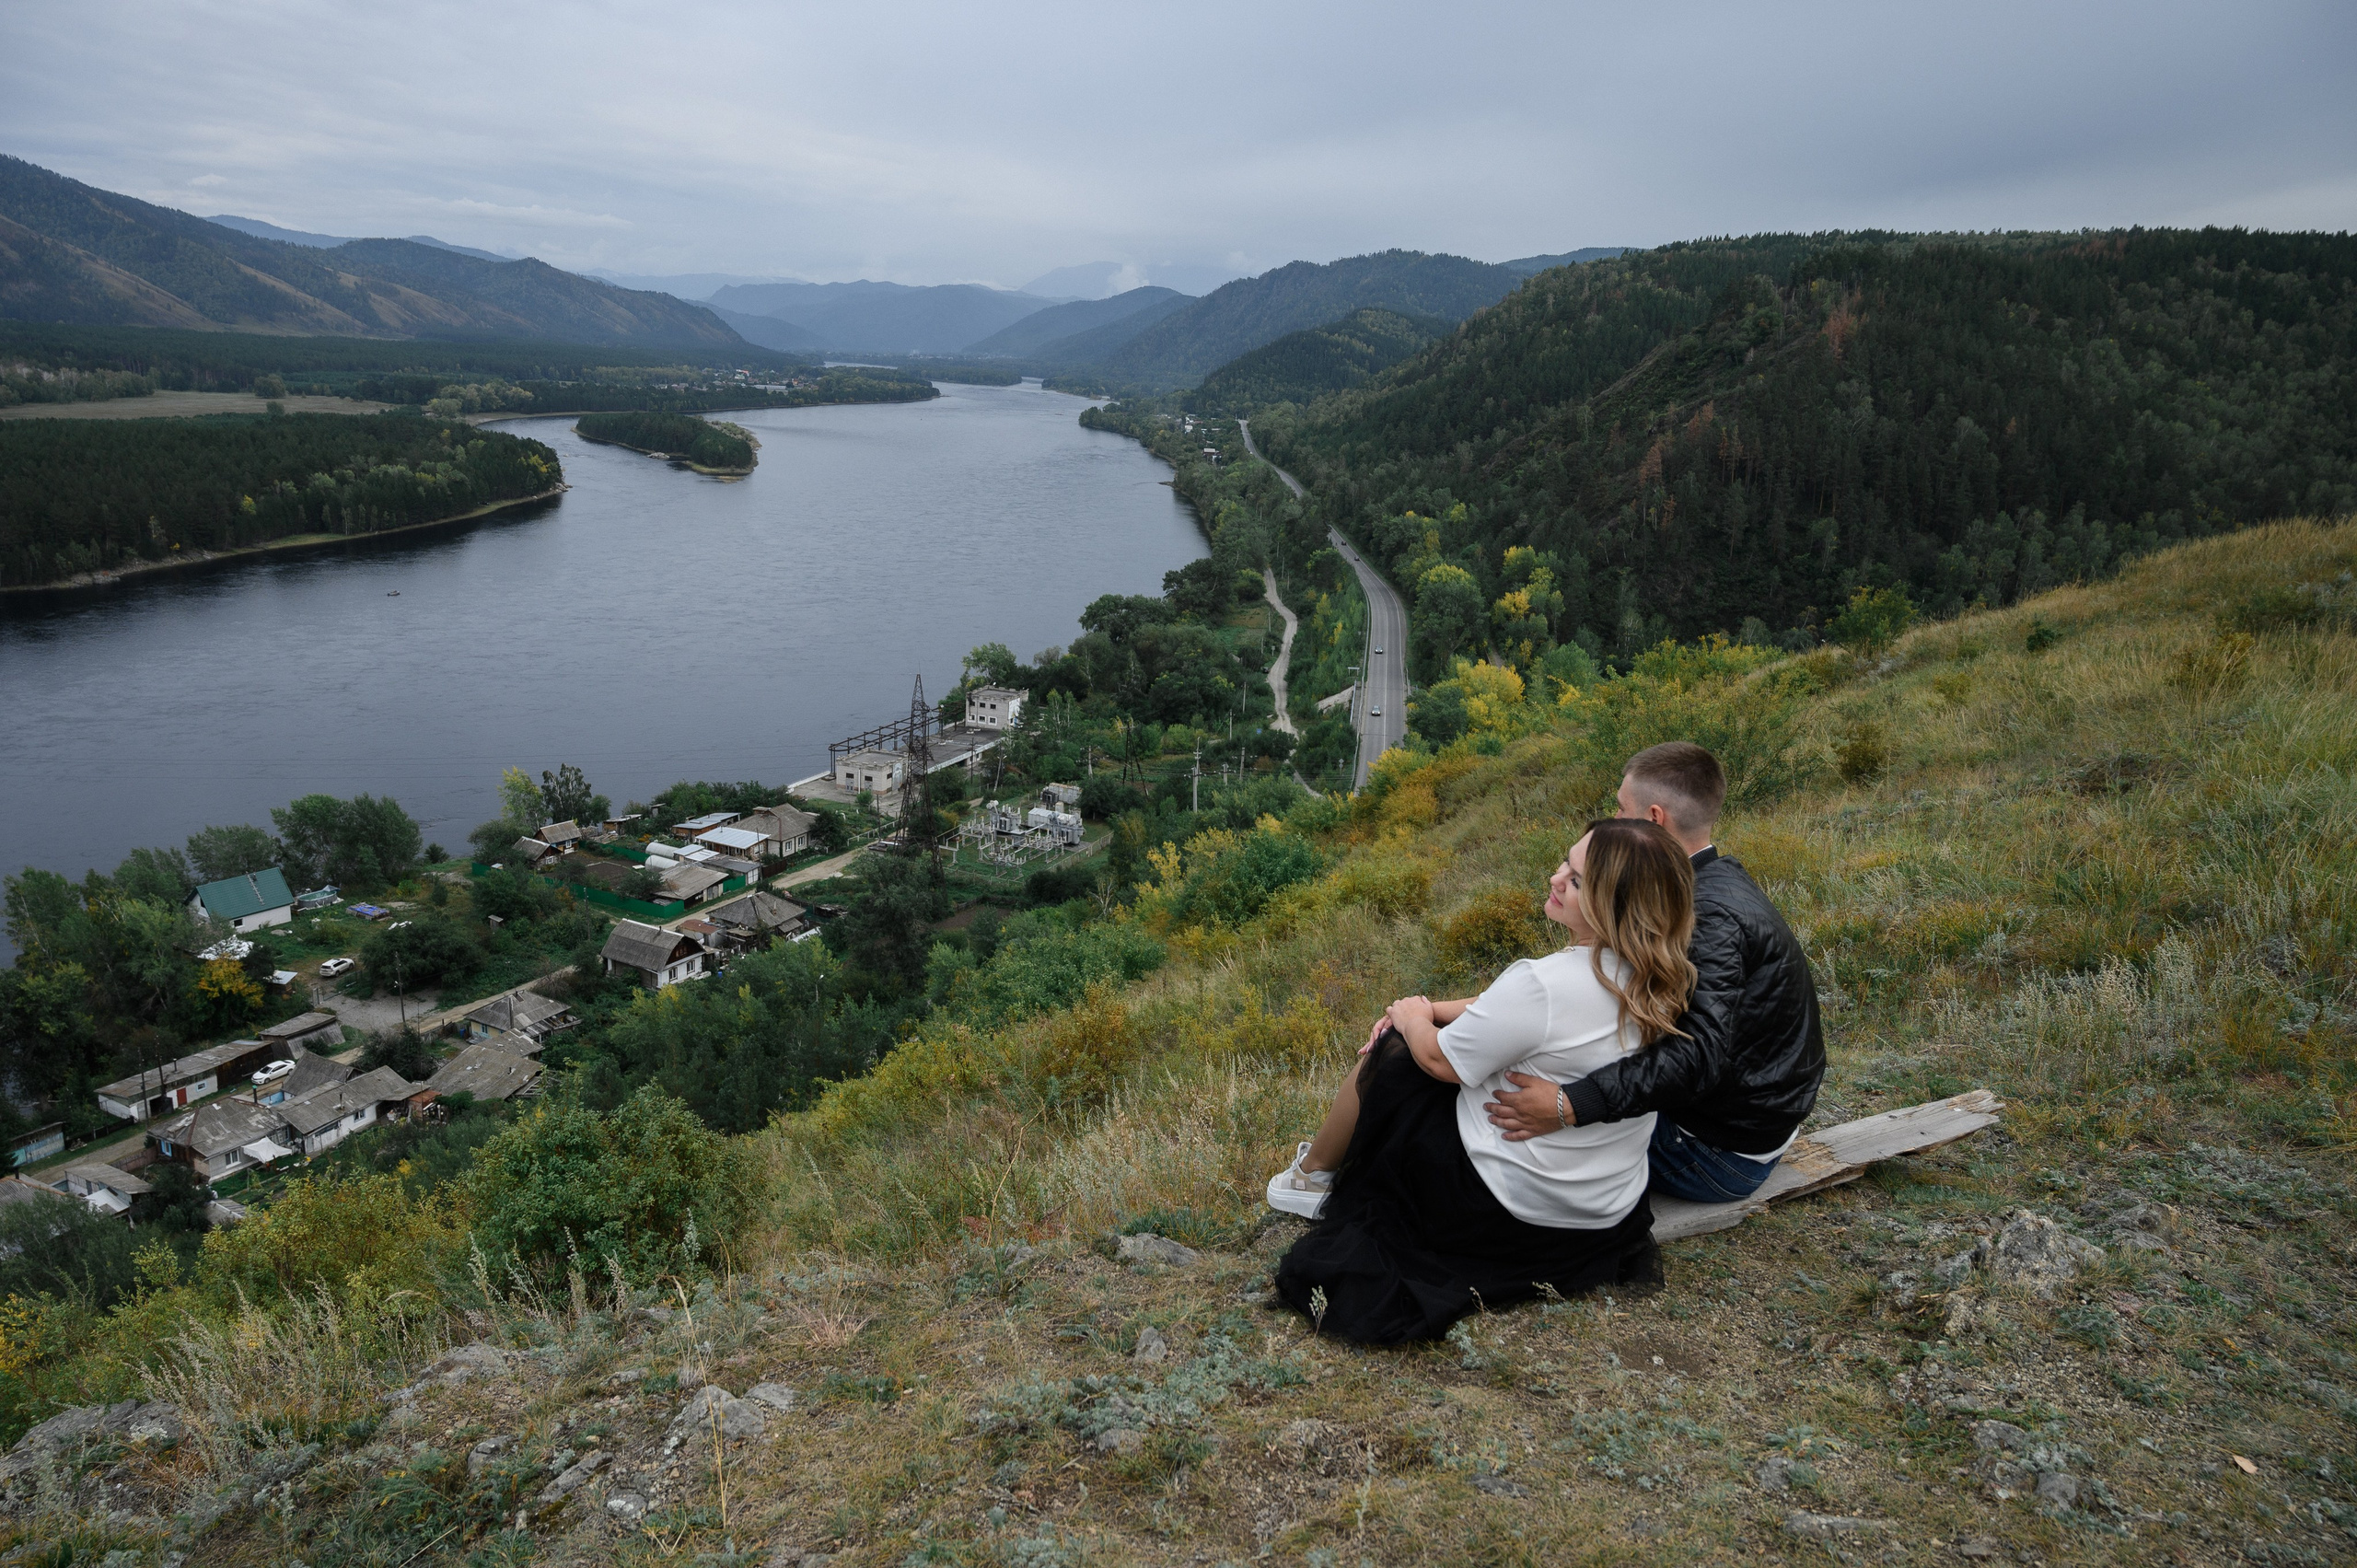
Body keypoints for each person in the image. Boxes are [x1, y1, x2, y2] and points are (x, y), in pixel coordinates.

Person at [1264, 818, 1696, 1343]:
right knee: (1431, 1041)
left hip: (1508, 1207)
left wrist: (1408, 1017)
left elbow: (1439, 1060)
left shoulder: (1544, 984)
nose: (1557, 879)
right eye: (1567, 863)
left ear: (1614, 905)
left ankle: (1311, 1175)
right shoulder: (1663, 977)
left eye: (1578, 881)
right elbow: (1506, 1010)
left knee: (1395, 1053)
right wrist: (1430, 1009)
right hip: (1601, 1210)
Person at [1482, 742, 1827, 1204]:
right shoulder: (1704, 883)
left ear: (1654, 820)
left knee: (1496, 1113)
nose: (1613, 820)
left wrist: (1570, 1104)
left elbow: (1697, 1055)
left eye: (1621, 809)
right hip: (1741, 1115)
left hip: (1717, 1151)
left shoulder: (1707, 917)